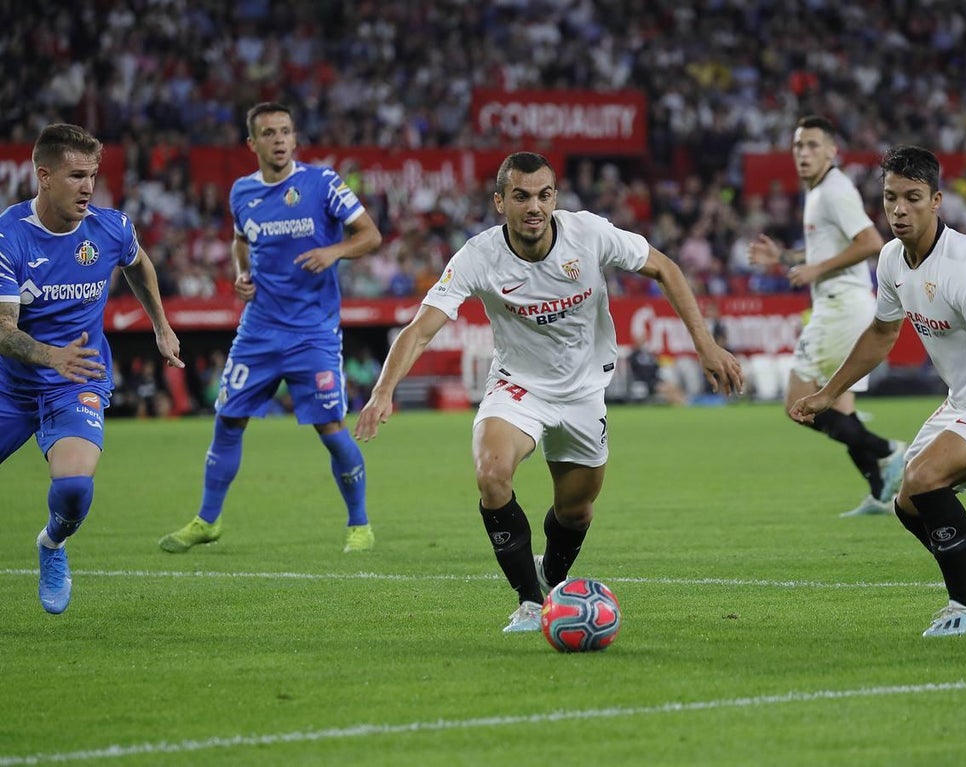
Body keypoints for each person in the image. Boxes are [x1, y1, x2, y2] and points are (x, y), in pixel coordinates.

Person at [354, 152, 743, 633]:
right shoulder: (478, 256)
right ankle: (528, 602)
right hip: (518, 387)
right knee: (492, 473)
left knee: (576, 511)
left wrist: (705, 347)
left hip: (584, 391)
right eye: (521, 196)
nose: (534, 206)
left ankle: (553, 580)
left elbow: (665, 268)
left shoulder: (590, 233)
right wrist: (382, 392)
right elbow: (419, 330)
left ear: (555, 197)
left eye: (544, 195)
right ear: (501, 202)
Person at [792, 146, 966, 637]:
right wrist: (829, 393)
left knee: (926, 476)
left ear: (936, 201)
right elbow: (881, 334)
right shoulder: (892, 259)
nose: (898, 209)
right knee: (908, 502)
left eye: (912, 198)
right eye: (891, 197)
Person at [159, 102, 383, 555]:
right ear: (253, 143)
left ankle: (359, 524)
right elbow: (241, 240)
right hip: (259, 330)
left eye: (285, 131)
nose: (279, 139)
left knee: (330, 428)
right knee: (228, 419)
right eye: (269, 133)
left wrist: (334, 251)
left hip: (312, 332)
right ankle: (207, 520)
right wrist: (242, 274)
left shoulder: (322, 183)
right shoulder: (242, 192)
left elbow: (370, 234)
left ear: (295, 139)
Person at [0, 123, 182, 614]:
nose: (88, 187)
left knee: (76, 488)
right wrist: (49, 354)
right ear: (43, 175)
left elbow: (139, 264)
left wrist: (160, 326)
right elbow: (2, 329)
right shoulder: (8, 237)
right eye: (76, 176)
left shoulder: (111, 228)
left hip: (76, 382)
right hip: (10, 388)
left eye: (93, 176)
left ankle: (52, 546)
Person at [749, 115, 906, 517]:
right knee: (840, 409)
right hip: (842, 303)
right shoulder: (821, 192)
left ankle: (890, 451)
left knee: (797, 405)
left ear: (832, 150)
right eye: (799, 146)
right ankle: (881, 494)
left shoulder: (834, 191)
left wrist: (816, 271)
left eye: (813, 145)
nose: (804, 153)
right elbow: (823, 252)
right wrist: (784, 258)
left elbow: (871, 241)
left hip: (840, 306)